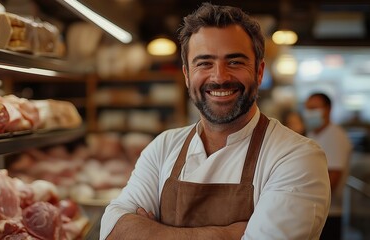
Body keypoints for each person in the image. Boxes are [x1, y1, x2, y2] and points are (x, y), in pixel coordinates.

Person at [100, 3, 330, 239]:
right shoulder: (163, 147)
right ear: (187, 76)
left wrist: (152, 231)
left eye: (235, 62)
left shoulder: (297, 156)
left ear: (259, 72)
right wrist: (228, 234)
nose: (219, 77)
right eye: (204, 63)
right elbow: (113, 230)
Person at [304, 92, 353, 240]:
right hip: (310, 211)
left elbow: (333, 178)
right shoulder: (312, 133)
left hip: (328, 213)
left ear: (328, 109)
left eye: (314, 108)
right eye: (307, 108)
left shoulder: (336, 136)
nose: (310, 113)